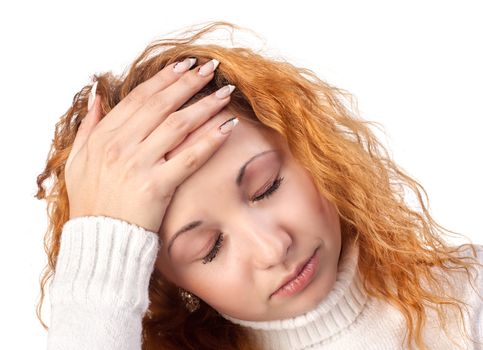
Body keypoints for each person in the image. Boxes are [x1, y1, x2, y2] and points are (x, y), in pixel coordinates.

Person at [35, 21, 483, 350]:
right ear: (161, 278)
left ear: (312, 150)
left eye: (267, 186)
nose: (273, 249)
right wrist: (98, 245)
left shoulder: (469, 301)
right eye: (209, 247)